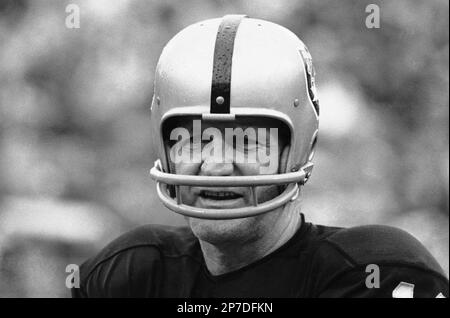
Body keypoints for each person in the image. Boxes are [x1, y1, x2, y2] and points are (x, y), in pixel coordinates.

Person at [72, 15, 448, 298]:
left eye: (247, 141)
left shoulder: (370, 272)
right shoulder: (130, 273)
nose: (216, 164)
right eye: (193, 140)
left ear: (300, 148)